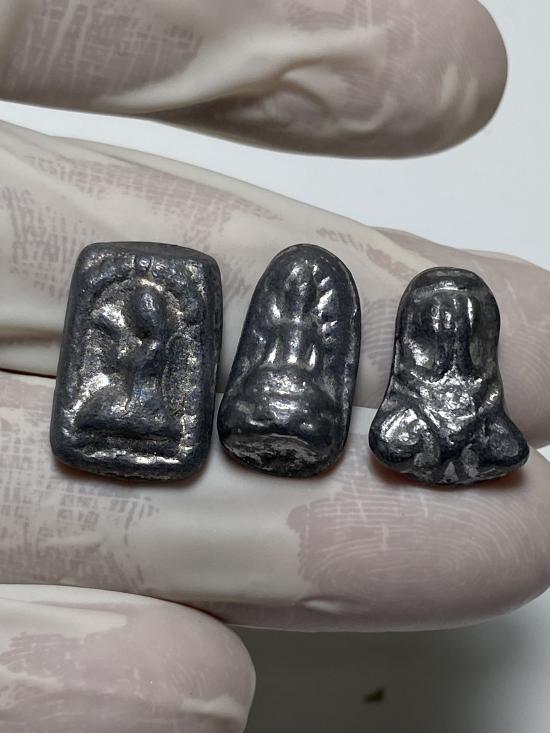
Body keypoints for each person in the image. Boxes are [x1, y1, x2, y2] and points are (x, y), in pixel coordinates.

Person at [0, 2, 548, 731]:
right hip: (251, 408)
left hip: (295, 408)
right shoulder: (129, 379)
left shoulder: (407, 371)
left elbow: (475, 441)